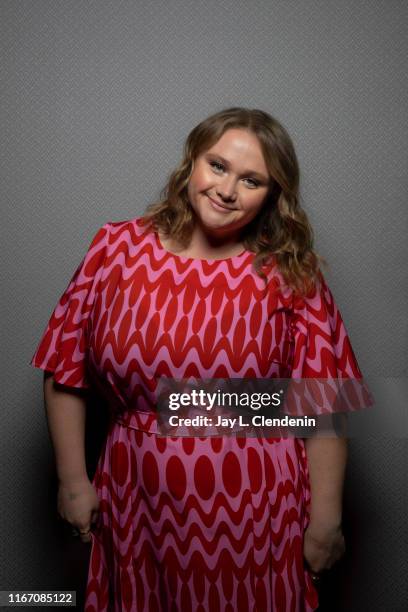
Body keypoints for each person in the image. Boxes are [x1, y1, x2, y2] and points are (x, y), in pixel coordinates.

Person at [30, 107, 370, 611]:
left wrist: (326, 522)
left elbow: (322, 406)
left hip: (255, 511)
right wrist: (73, 481)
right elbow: (65, 368)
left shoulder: (289, 274)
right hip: (136, 497)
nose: (227, 190)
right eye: (217, 166)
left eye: (251, 180)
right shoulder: (116, 248)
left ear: (272, 195)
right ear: (192, 162)